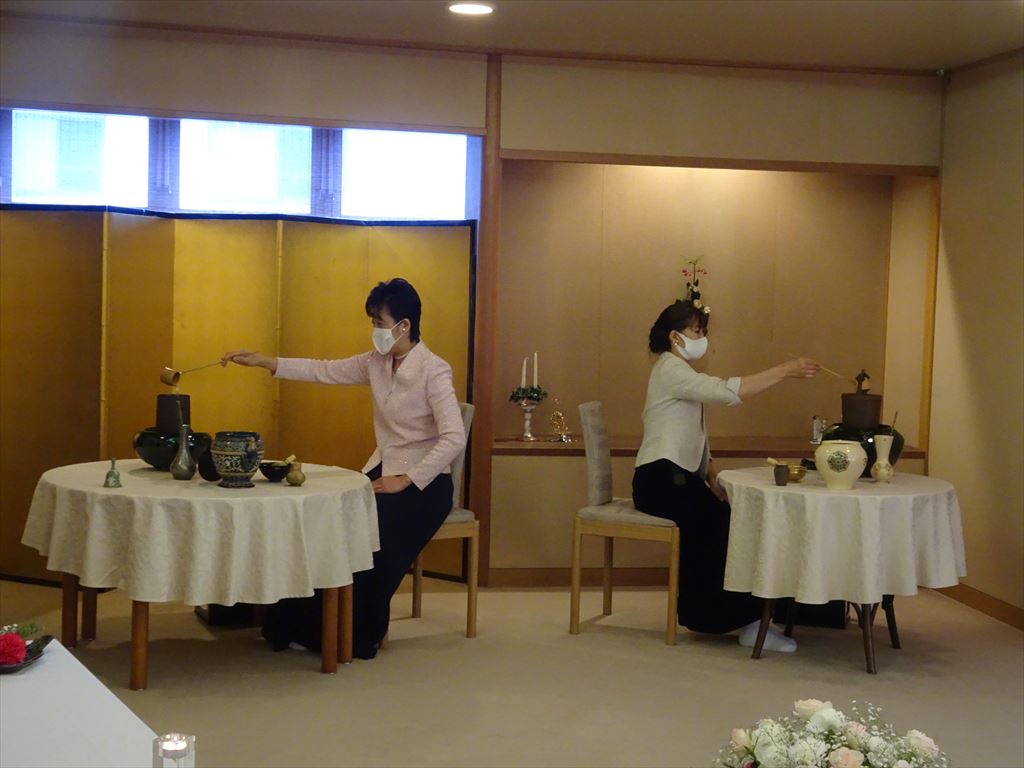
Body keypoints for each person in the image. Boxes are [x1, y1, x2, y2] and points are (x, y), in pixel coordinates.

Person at [222, 278, 466, 659]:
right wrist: (267, 362)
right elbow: (323, 370)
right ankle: (302, 626)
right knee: (330, 524)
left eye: (379, 323)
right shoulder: (376, 363)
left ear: (404, 326)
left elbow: (454, 437)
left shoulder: (434, 370)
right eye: (372, 322)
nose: (374, 331)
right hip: (382, 472)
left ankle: (354, 634)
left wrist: (406, 479)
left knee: (370, 539)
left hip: (425, 486)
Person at [632, 299, 820, 652]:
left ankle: (739, 617)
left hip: (675, 478)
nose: (702, 338)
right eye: (696, 331)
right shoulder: (670, 369)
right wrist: (784, 370)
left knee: (727, 515)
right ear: (675, 337)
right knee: (717, 523)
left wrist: (711, 477)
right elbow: (723, 391)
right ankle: (740, 622)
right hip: (659, 481)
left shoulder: (678, 371)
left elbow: (693, 436)